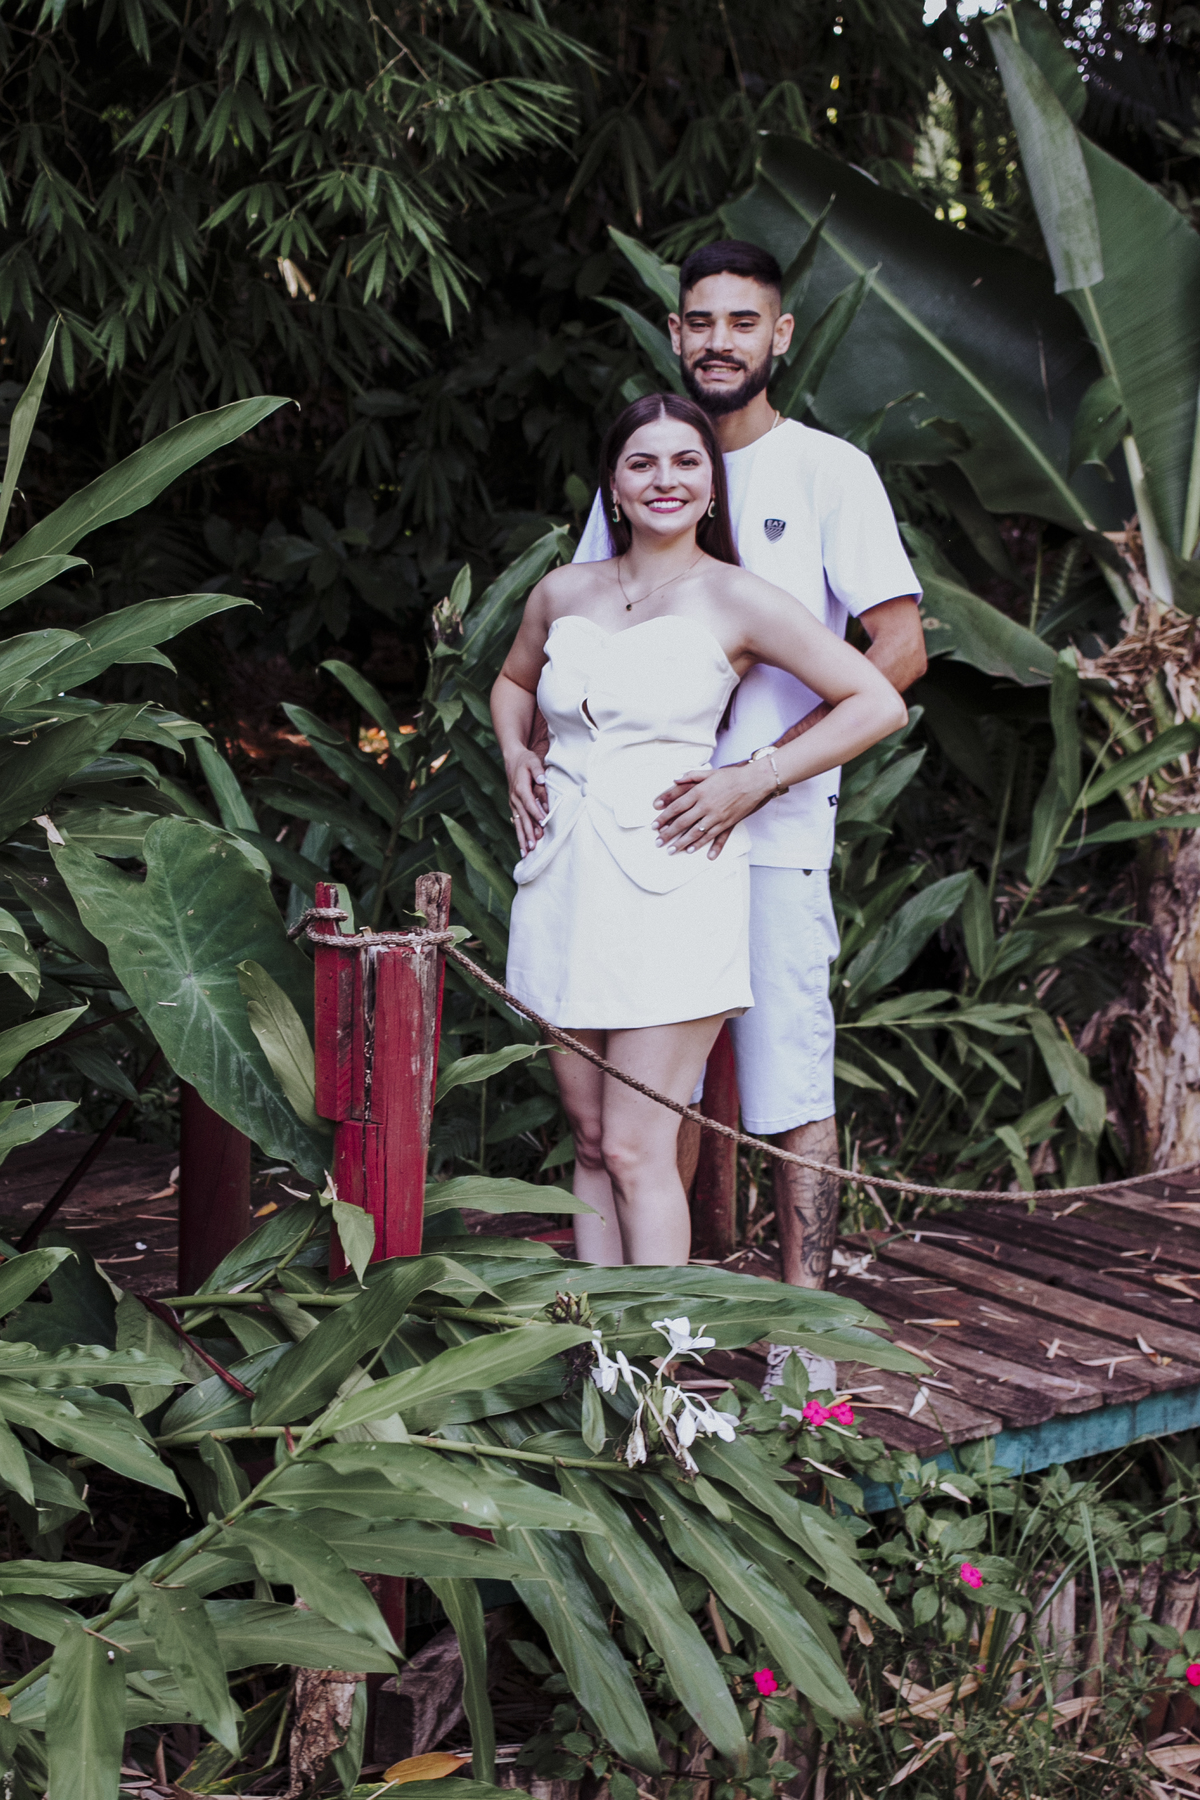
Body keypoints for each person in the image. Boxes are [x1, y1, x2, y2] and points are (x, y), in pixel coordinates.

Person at [572, 241, 926, 1386]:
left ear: (780, 337)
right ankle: (647, 1349)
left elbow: (898, 651)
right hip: (642, 842)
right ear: (676, 334)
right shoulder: (648, 470)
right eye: (701, 321)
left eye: (743, 322)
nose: (719, 340)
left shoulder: (828, 470)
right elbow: (574, 633)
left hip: (771, 834)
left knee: (789, 1085)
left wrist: (761, 773)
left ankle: (803, 1345)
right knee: (644, 1097)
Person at [492, 391, 907, 1269]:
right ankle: (597, 1343)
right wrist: (514, 753)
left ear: (713, 486)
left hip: (673, 882)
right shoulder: (564, 590)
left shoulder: (739, 596)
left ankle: (663, 1350)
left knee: (637, 1146)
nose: (665, 479)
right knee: (591, 1140)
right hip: (566, 881)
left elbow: (877, 700)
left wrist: (755, 777)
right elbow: (514, 681)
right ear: (613, 485)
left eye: (687, 462)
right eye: (641, 462)